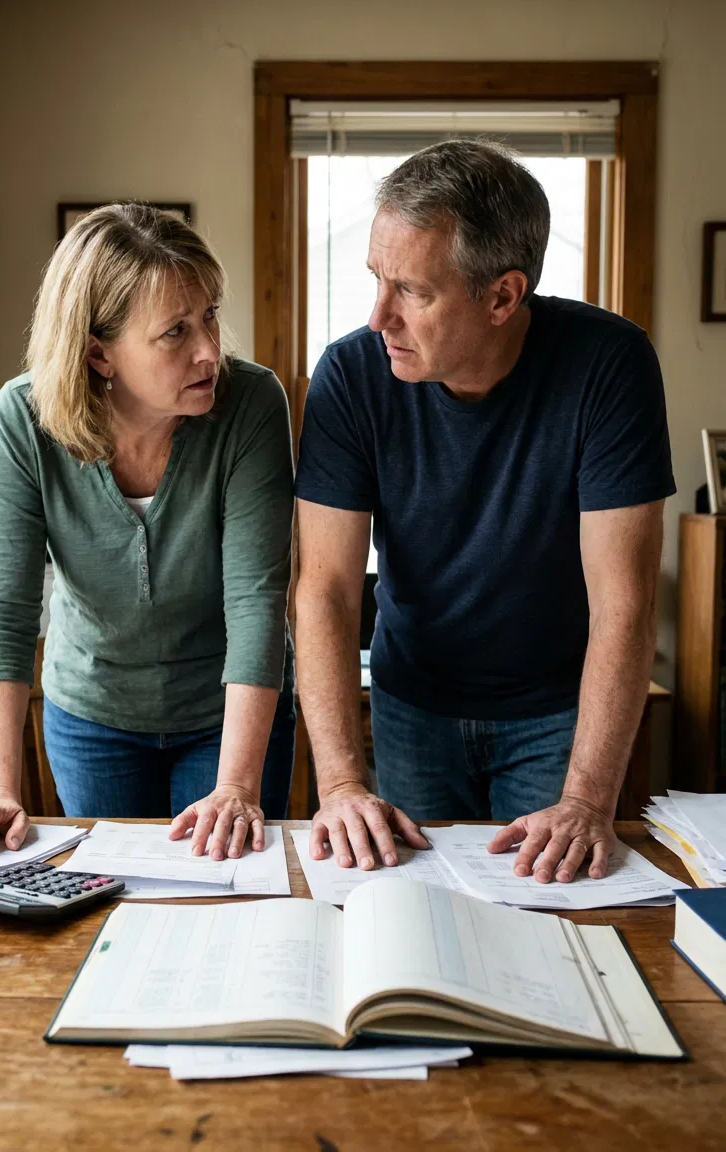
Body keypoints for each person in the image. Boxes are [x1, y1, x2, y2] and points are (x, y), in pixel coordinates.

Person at [294, 140, 675, 884]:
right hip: (411, 702)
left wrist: (586, 800)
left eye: (412, 291)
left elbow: (624, 601)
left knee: (548, 907)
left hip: (559, 713)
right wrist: (339, 783)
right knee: (411, 905)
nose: (378, 318)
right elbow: (326, 589)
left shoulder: (610, 364)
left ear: (502, 297)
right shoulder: (349, 374)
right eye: (376, 280)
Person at [0, 204, 295, 867]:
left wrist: (237, 787)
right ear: (99, 353)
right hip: (93, 718)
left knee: (232, 891)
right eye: (175, 332)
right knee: (113, 895)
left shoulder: (252, 404)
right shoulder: (22, 419)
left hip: (227, 713)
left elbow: (256, 603)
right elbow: (4, 609)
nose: (210, 350)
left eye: (209, 315)